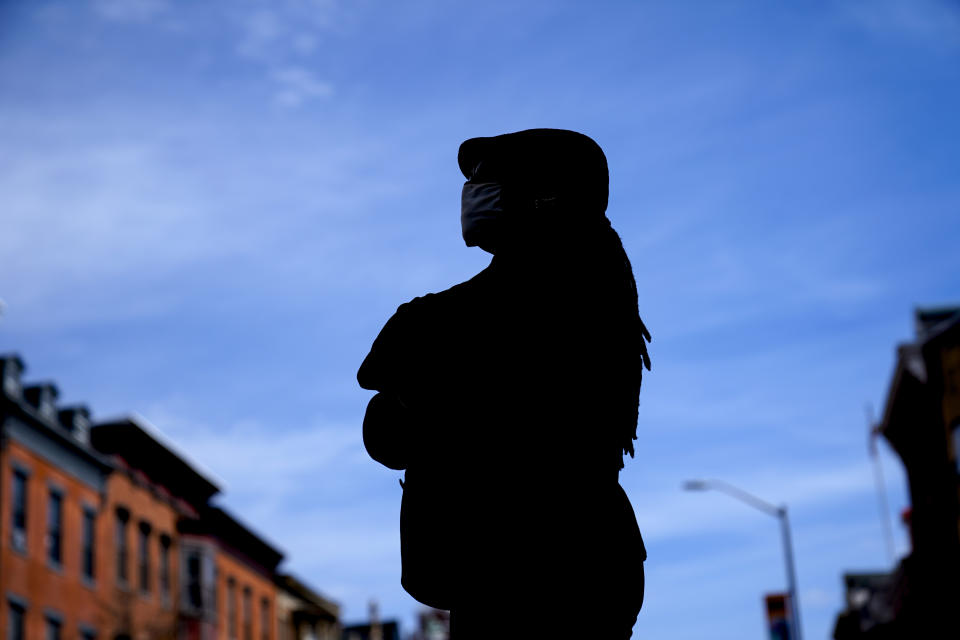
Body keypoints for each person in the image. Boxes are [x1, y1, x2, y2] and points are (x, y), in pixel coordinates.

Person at [358, 128, 651, 639]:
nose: (475, 193)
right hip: (510, 569)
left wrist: (428, 400)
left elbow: (395, 409)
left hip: (546, 570)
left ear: (546, 194)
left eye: (490, 180)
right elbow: (385, 409)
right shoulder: (586, 280)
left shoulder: (578, 288)